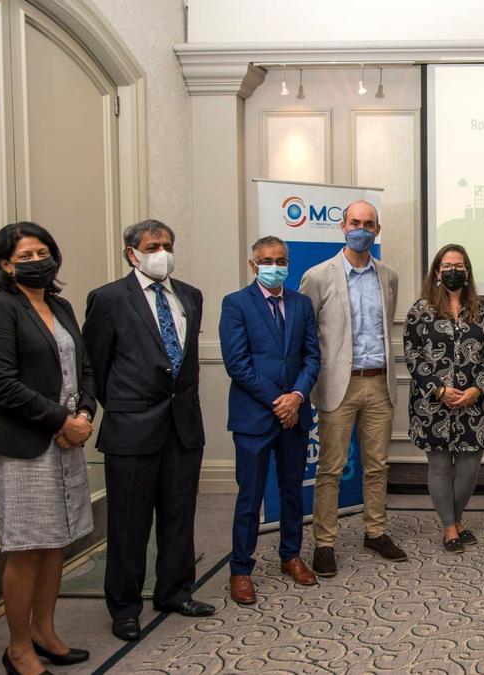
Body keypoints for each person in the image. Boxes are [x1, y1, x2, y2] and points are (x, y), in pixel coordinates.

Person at [83, 219, 214, 642]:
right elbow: (96, 366)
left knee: (179, 516)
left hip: (183, 426)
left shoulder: (190, 296)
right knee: (129, 524)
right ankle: (125, 607)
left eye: (168, 245)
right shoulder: (108, 299)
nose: (163, 253)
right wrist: (127, 408)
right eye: (153, 246)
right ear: (132, 253)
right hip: (132, 429)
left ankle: (175, 592)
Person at [0, 223, 95, 674]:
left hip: (67, 442)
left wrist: (84, 415)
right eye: (25, 256)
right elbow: (3, 385)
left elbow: (85, 368)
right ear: (6, 265)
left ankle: (45, 632)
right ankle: (19, 647)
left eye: (43, 252)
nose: (37, 261)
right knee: (26, 549)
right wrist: (62, 421)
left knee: (56, 544)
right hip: (22, 448)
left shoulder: (61, 306)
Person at [299, 200, 406, 573]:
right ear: (342, 226)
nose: (361, 229)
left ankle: (375, 531)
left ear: (378, 230)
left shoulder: (388, 276)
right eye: (355, 222)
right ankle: (324, 543)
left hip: (378, 384)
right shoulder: (317, 276)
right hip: (338, 386)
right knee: (330, 468)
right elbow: (306, 335)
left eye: (369, 224)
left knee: (377, 465)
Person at [220, 237, 321, 605]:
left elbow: (312, 357)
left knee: (293, 491)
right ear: (253, 265)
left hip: (295, 414)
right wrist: (279, 401)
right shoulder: (235, 304)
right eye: (266, 261)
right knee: (251, 496)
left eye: (280, 260)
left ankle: (290, 555)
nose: (274, 266)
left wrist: (296, 396)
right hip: (254, 417)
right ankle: (240, 568)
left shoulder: (301, 303)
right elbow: (237, 364)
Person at [402, 244, 484, 552]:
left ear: (467, 271)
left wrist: (477, 388)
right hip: (432, 405)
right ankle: (450, 527)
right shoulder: (420, 310)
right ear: (437, 272)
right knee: (440, 466)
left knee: (470, 470)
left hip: (474, 405)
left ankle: (455, 519)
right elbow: (413, 355)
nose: (453, 271)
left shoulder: (482, 310)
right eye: (447, 266)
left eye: (459, 265)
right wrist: (438, 388)